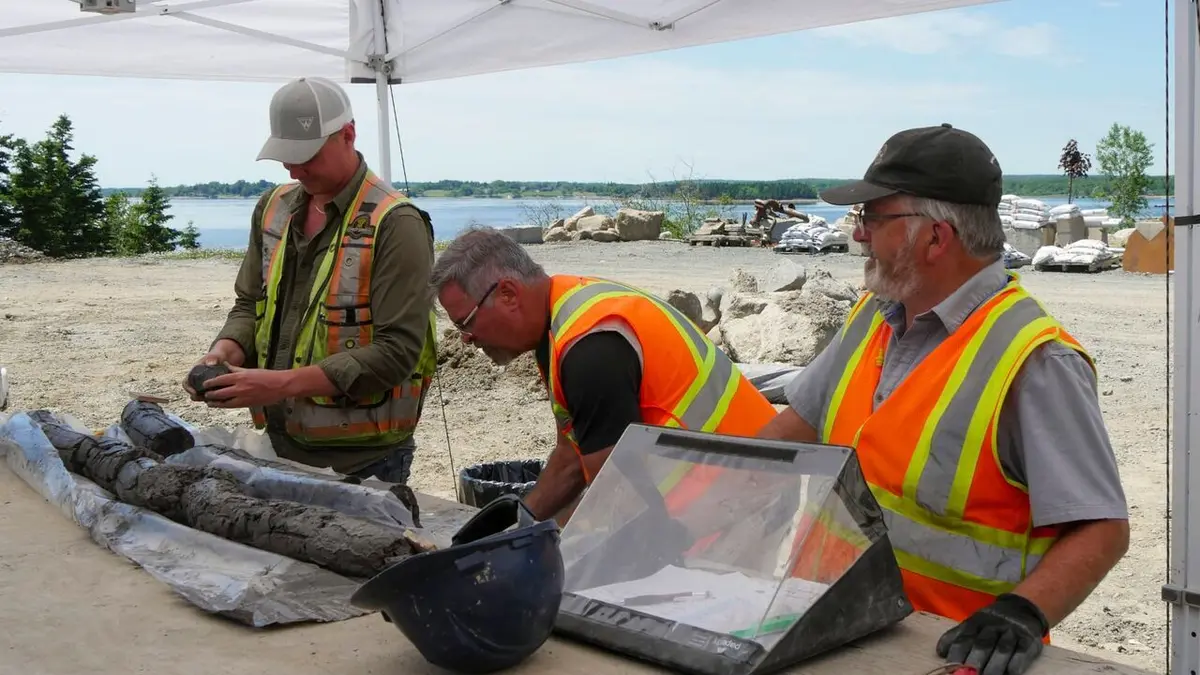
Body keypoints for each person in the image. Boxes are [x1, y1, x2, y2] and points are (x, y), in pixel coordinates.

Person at [757, 124, 1130, 675]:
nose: (858, 235)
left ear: (935, 237)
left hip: (943, 655)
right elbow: (789, 434)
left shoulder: (1035, 361)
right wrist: (706, 501)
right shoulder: (872, 318)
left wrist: (1023, 613)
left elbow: (1102, 527)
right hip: (828, 631)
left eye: (872, 218)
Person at [428, 225, 780, 526]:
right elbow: (572, 458)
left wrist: (545, 545)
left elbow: (617, 496)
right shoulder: (561, 321)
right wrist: (519, 527)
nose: (466, 339)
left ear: (508, 294)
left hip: (751, 514)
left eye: (465, 322)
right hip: (724, 508)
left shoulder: (588, 348)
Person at [184, 76, 439, 485]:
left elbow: (398, 351)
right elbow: (250, 304)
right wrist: (224, 352)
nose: (294, 168)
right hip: (279, 444)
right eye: (286, 156)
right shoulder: (274, 209)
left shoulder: (397, 223)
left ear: (348, 135)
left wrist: (278, 385)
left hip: (364, 462)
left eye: (307, 155)